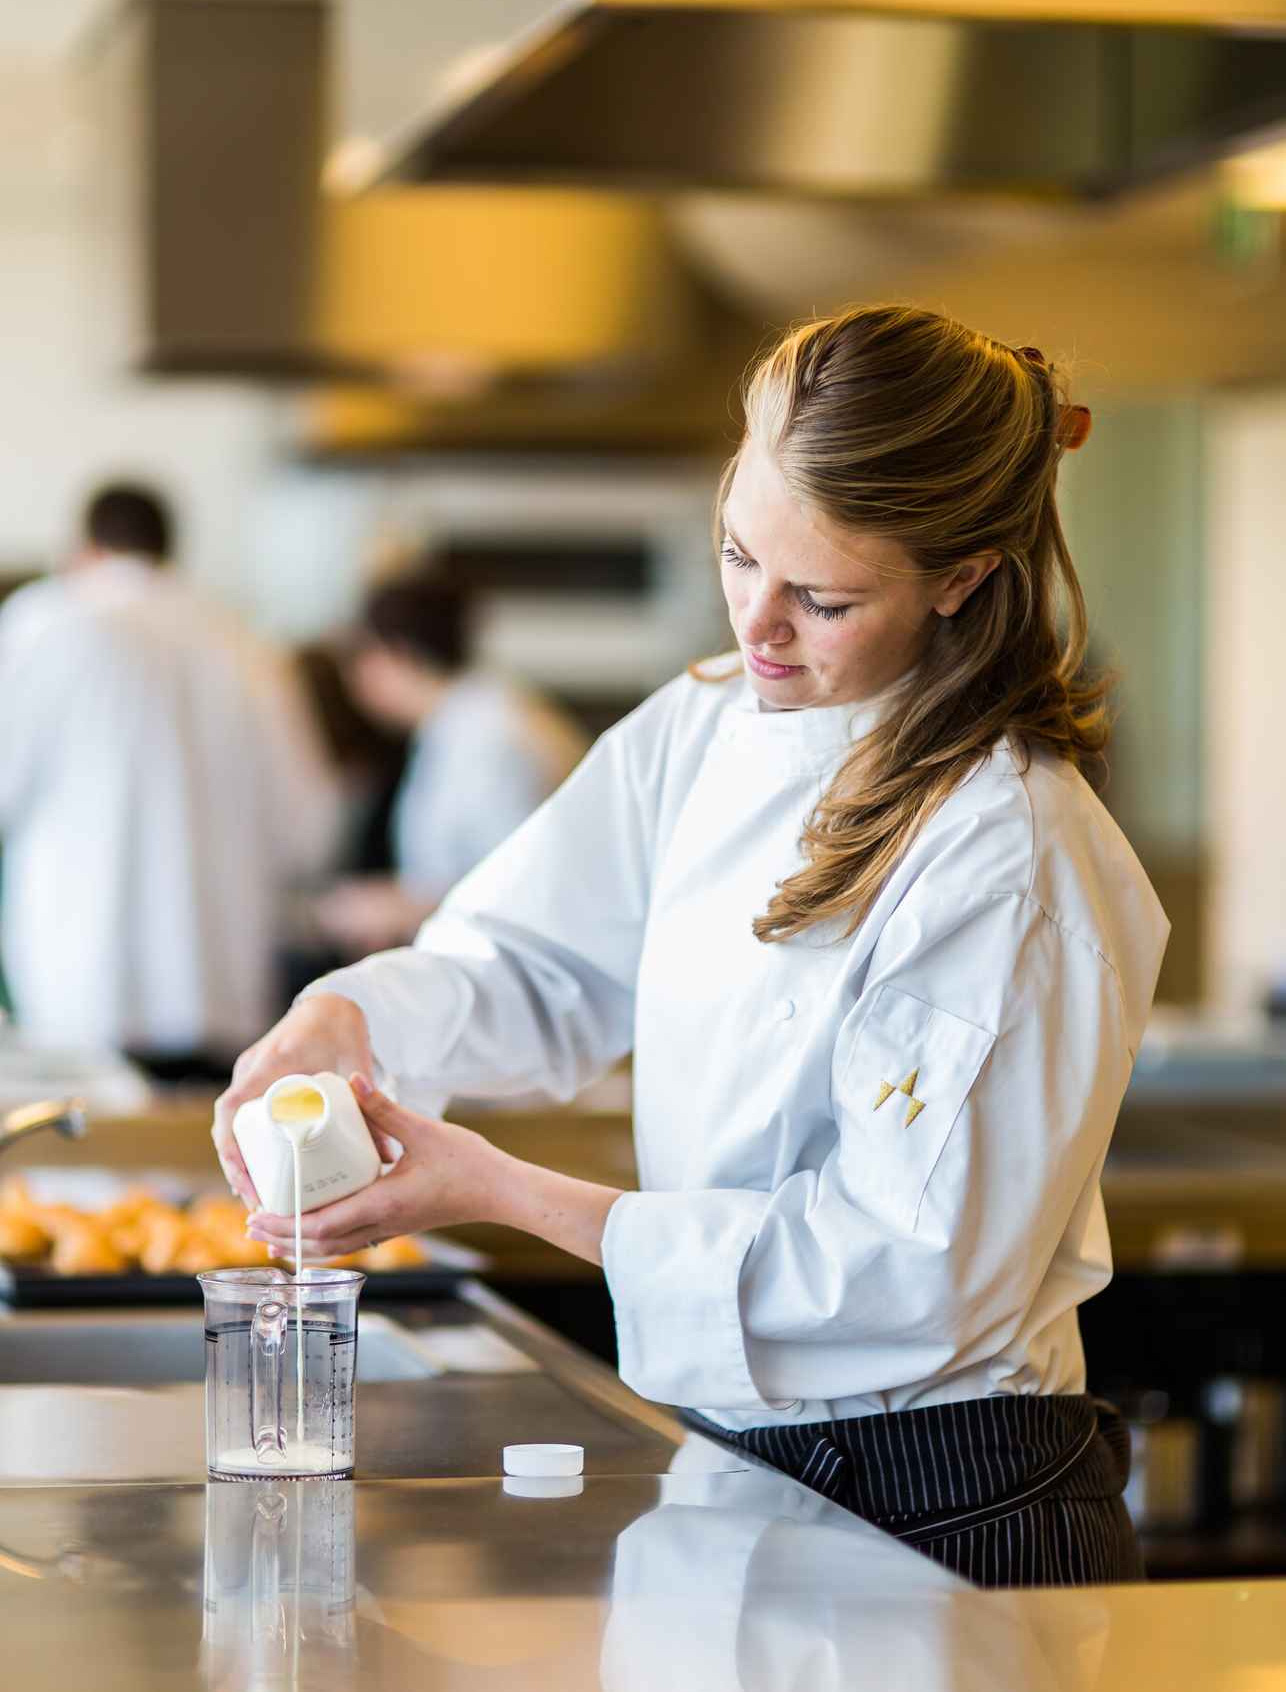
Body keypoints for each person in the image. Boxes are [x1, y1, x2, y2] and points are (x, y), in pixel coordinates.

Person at [215, 307, 1169, 1587]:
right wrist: (351, 1017)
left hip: (946, 1500)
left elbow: (899, 1275)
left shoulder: (1012, 852)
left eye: (821, 598)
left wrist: (500, 1189)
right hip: (740, 1453)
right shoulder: (707, 724)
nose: (756, 626)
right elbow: (536, 964)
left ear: (962, 575)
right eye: (734, 554)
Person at [0, 482, 338, 1075]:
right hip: (219, 980)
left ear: (86, 546)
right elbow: (307, 827)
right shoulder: (244, 641)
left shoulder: (47, 620)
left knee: (90, 1154)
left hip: (80, 978)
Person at [308, 572, 587, 956]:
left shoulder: (486, 738)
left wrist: (397, 909)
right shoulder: (458, 723)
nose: (356, 685)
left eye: (362, 660)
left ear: (397, 653)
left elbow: (516, 890)